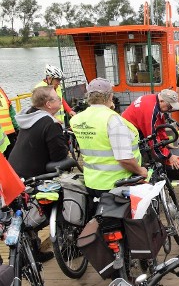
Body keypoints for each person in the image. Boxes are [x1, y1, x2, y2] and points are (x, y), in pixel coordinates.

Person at [7, 85, 69, 262]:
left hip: (14, 173)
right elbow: (59, 156)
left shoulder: (29, 116)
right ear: (48, 104)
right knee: (62, 197)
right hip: (31, 177)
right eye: (57, 98)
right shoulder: (49, 123)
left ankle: (32, 247)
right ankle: (65, 244)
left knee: (23, 211)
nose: (59, 100)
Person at [70, 78, 147, 207]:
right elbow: (124, 159)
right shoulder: (112, 120)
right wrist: (140, 171)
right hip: (116, 184)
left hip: (91, 182)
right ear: (110, 96)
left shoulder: (77, 120)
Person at [121, 89, 179, 169]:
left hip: (133, 128)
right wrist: (169, 156)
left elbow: (159, 126)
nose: (170, 109)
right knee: (142, 158)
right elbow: (152, 138)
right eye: (169, 106)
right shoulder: (150, 111)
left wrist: (165, 143)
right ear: (161, 101)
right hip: (128, 133)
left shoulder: (155, 101)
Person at [0, 85, 18, 157]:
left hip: (9, 133)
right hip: (3, 135)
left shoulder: (1, 90)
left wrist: (17, 127)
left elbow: (10, 109)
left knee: (12, 161)